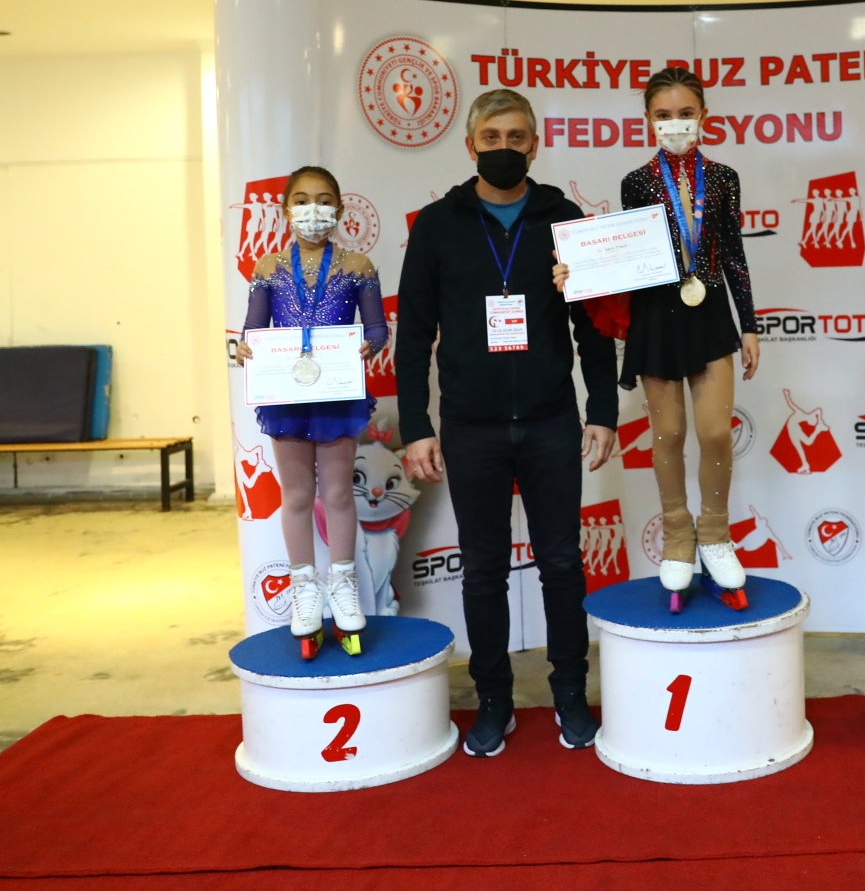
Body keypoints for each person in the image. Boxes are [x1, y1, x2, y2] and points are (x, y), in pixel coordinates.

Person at [394, 89, 617, 758]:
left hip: (551, 420)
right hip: (471, 425)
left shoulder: (564, 219)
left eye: (516, 137)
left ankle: (570, 693)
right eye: (491, 138)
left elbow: (594, 325)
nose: (504, 148)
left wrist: (602, 411)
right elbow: (414, 334)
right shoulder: (437, 225)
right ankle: (493, 700)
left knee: (562, 564)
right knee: (484, 570)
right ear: (470, 146)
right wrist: (416, 425)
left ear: (535, 146)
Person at [553, 66, 759, 611]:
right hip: (658, 316)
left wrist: (750, 324)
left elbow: (734, 254)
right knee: (666, 434)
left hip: (709, 311)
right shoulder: (637, 181)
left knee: (715, 432)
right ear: (647, 120)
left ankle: (716, 534)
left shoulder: (725, 178)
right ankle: (677, 538)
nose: (675, 124)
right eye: (663, 115)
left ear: (704, 116)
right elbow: (628, 253)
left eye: (685, 113)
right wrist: (582, 270)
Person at [235, 165, 388, 660]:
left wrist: (368, 345)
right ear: (286, 209)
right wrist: (246, 348)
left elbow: (378, 328)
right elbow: (253, 329)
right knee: (297, 494)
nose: (312, 209)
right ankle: (304, 589)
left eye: (323, 200)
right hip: (287, 394)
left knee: (339, 493)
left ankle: (342, 585)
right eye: (301, 200)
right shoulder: (267, 268)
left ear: (339, 210)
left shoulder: (358, 264)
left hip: (338, 392)